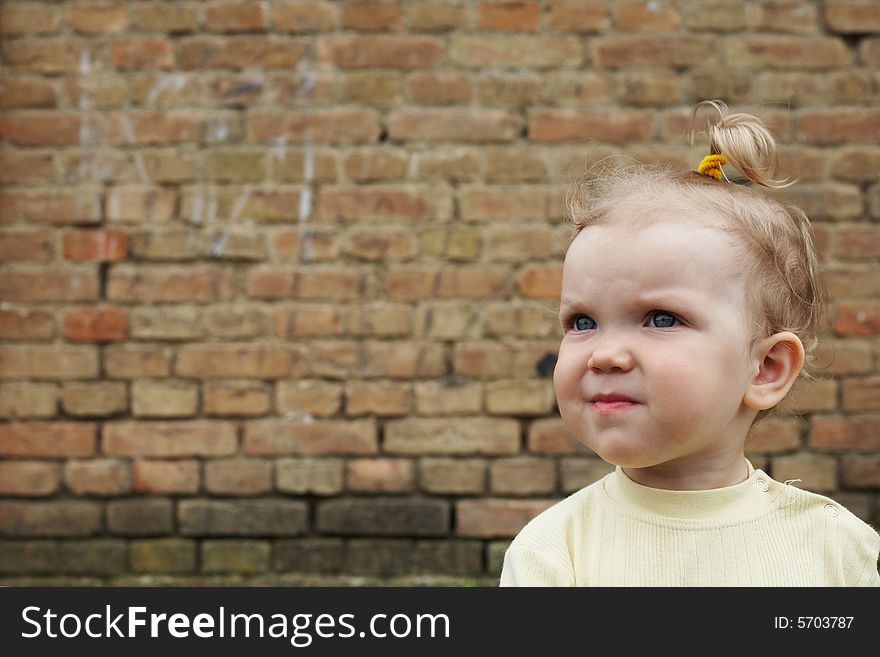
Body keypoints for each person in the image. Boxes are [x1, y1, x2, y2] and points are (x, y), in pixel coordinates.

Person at [499, 100, 880, 586]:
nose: (604, 354)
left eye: (660, 319)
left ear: (765, 369)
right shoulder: (554, 552)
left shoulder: (835, 546)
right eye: (582, 322)